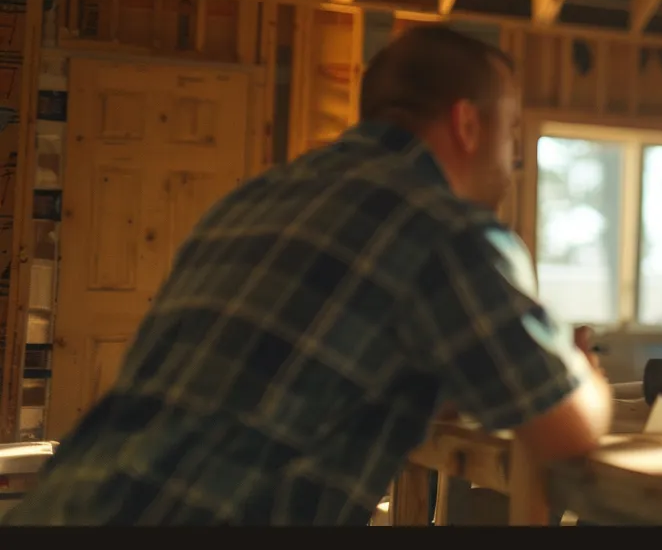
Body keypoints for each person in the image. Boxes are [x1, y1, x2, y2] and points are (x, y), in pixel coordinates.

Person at [1, 26, 613, 526]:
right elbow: (564, 430)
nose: (515, 162)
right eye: (511, 134)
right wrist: (578, 370)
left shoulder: (254, 200)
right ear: (467, 124)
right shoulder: (450, 230)